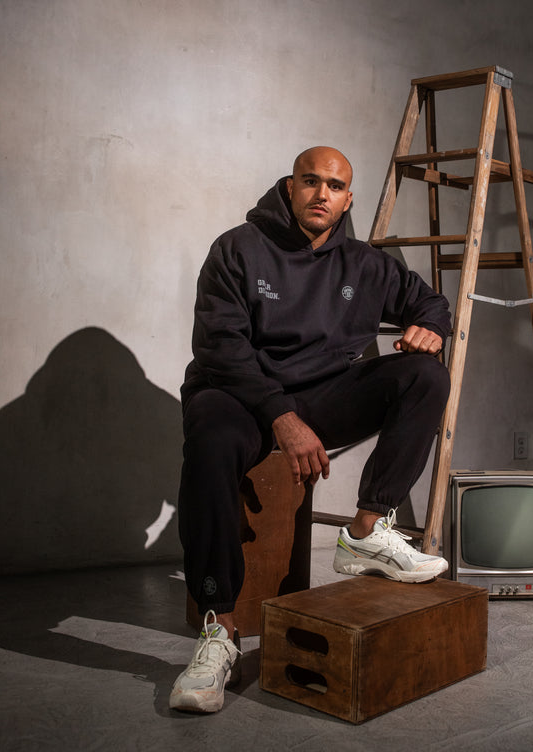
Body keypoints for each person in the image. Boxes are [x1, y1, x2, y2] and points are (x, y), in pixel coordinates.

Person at [169, 146, 452, 713]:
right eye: (311, 181)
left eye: (335, 186)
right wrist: (281, 415)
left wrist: (431, 326)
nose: (322, 193)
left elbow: (429, 302)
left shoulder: (366, 265)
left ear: (348, 199)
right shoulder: (237, 248)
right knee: (212, 437)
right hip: (238, 395)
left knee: (424, 375)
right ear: (290, 187)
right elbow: (220, 347)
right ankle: (218, 630)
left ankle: (365, 530)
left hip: (322, 396)